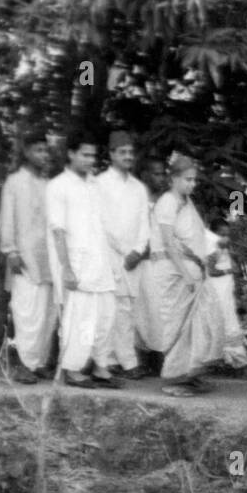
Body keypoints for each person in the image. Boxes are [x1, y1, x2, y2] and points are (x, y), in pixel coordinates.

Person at [46, 131, 123, 389]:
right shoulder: (58, 186)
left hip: (101, 263)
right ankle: (73, 368)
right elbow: (58, 231)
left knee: (105, 317)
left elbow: (106, 226)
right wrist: (66, 269)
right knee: (80, 319)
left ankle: (101, 367)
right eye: (85, 154)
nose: (91, 160)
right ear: (71, 154)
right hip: (77, 265)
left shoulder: (95, 185)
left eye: (93, 155)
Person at [152, 153, 224, 397]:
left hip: (194, 271)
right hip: (178, 274)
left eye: (194, 180)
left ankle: (192, 375)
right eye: (187, 180)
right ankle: (175, 378)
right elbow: (169, 243)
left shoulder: (186, 202)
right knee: (179, 326)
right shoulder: (167, 202)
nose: (192, 185)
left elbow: (196, 235)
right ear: (173, 178)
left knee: (202, 323)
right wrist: (186, 275)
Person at [96, 131, 153, 379]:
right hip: (110, 255)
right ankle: (113, 361)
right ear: (111, 155)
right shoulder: (99, 183)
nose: (128, 156)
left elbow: (144, 223)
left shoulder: (139, 188)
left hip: (133, 259)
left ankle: (124, 360)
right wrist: (122, 252)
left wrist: (138, 251)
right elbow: (102, 221)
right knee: (110, 309)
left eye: (131, 152)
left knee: (128, 310)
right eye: (123, 152)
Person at [0, 131, 55, 384]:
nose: (43, 155)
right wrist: (11, 251)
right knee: (25, 311)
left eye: (46, 150)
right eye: (38, 150)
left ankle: (39, 362)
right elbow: (7, 218)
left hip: (47, 258)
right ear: (26, 153)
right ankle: (20, 363)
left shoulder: (47, 184)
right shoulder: (14, 182)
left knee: (46, 313)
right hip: (22, 257)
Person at [205, 216, 247, 369]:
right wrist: (230, 270)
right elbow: (210, 271)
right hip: (218, 289)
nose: (226, 237)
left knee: (229, 318)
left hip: (225, 289)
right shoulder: (212, 246)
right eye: (222, 234)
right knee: (223, 319)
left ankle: (231, 359)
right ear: (214, 233)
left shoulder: (221, 246)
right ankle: (227, 358)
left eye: (227, 234)